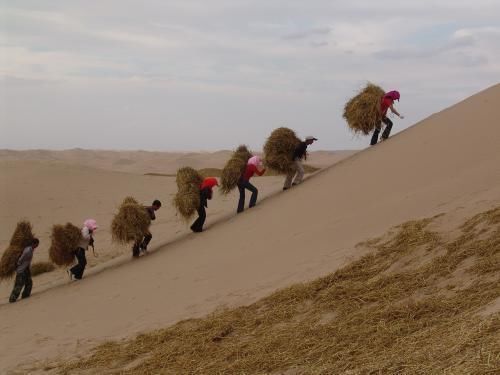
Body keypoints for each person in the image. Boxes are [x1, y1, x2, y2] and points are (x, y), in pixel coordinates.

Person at [9, 238, 40, 303]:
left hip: (26, 269)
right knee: (19, 285)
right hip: (21, 270)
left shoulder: (31, 250)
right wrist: (18, 264)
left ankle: (25, 295)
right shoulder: (28, 250)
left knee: (29, 282)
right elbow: (21, 259)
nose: (37, 246)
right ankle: (12, 299)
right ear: (33, 244)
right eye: (37, 244)